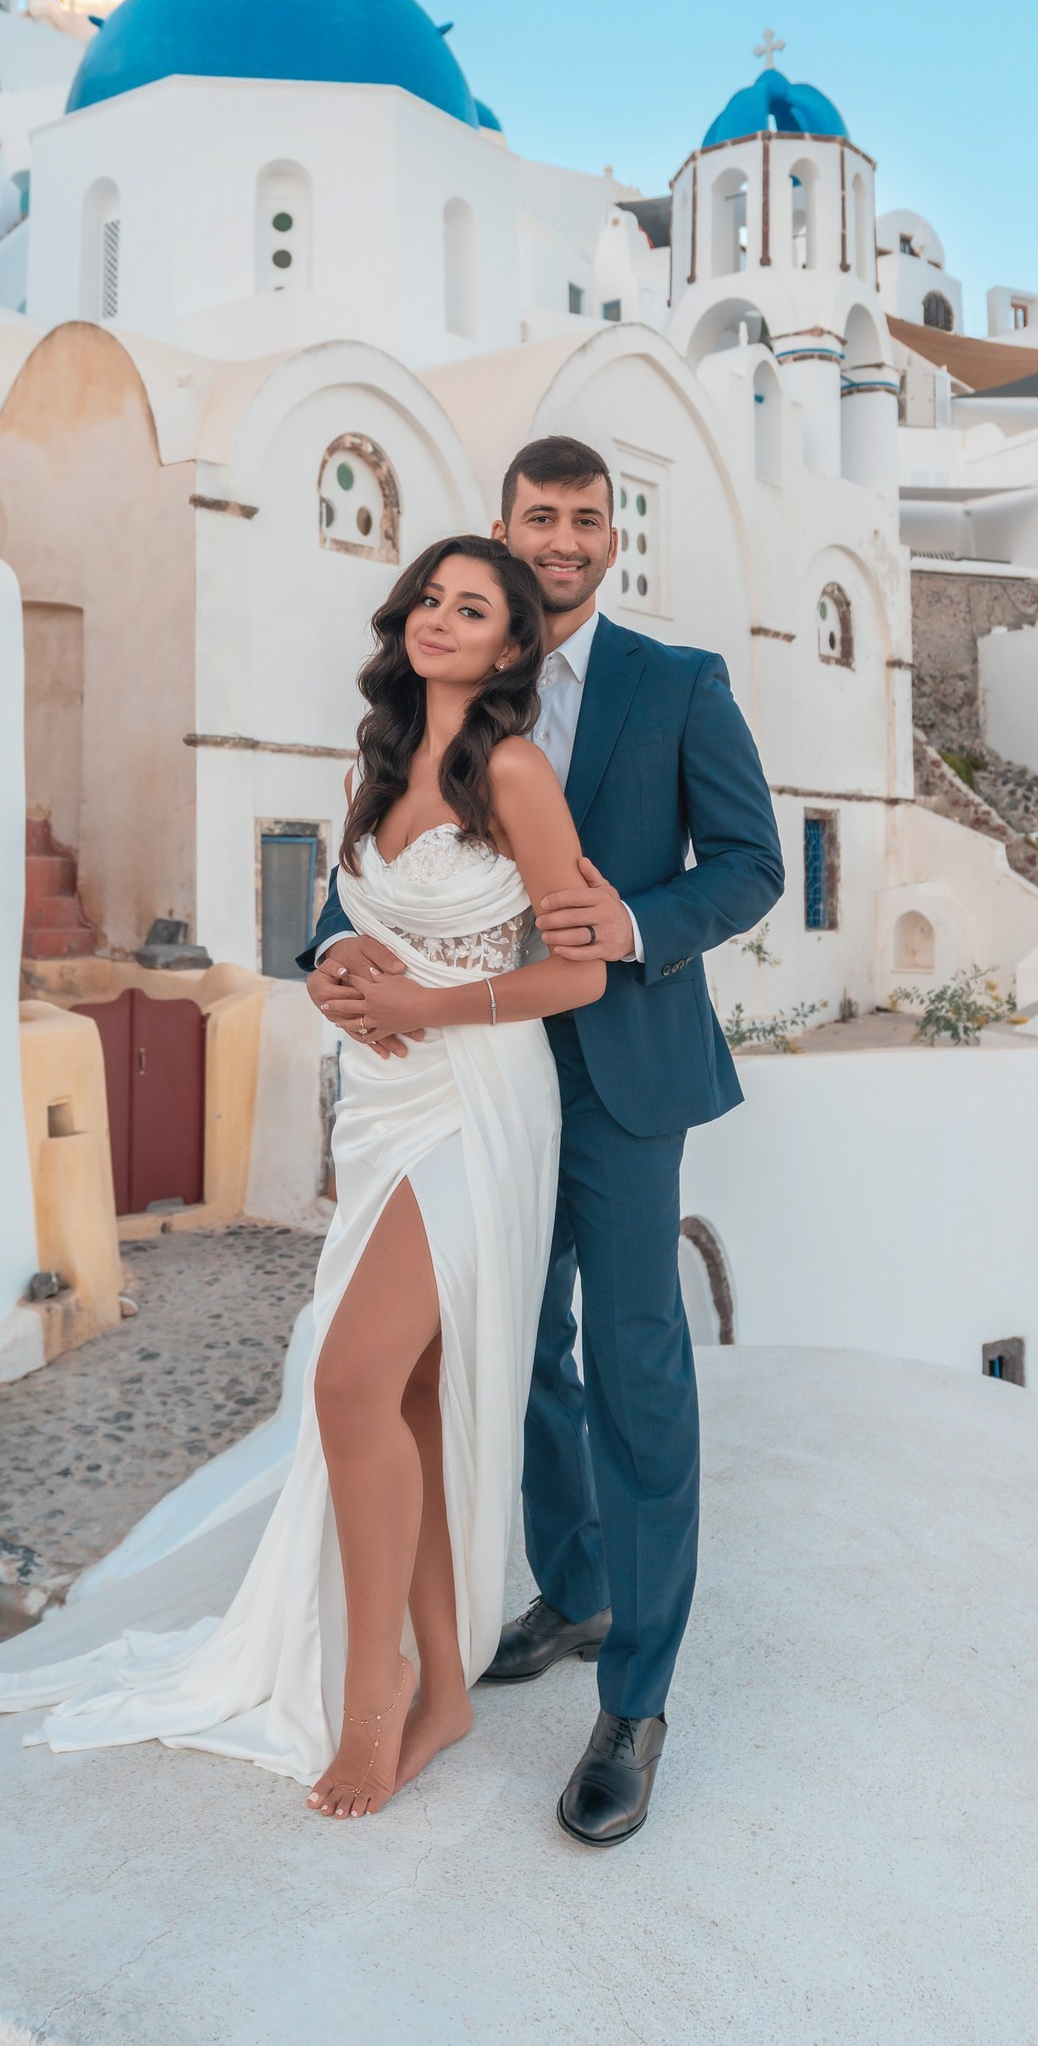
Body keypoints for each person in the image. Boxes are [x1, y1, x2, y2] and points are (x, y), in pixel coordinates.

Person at [0, 534, 605, 1818]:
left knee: (346, 1378)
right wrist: (348, 975)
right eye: (430, 596)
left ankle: (373, 1700)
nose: (441, 618)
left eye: (474, 609)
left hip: (477, 1102)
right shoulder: (374, 764)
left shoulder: (515, 770)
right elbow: (358, 927)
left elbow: (574, 969)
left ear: (514, 647)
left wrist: (422, 994)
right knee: (398, 1391)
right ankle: (445, 1688)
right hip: (383, 1100)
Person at [307, 436, 783, 1846]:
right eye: (538, 517)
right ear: (503, 531)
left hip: (618, 1074)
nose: (562, 537)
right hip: (464, 1080)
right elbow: (381, 880)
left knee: (632, 1368)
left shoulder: (677, 685)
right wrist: (329, 954)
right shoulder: (433, 712)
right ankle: (567, 1589)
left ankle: (633, 1695)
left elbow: (750, 863)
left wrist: (635, 925)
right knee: (498, 1358)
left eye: (585, 519)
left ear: (610, 536)